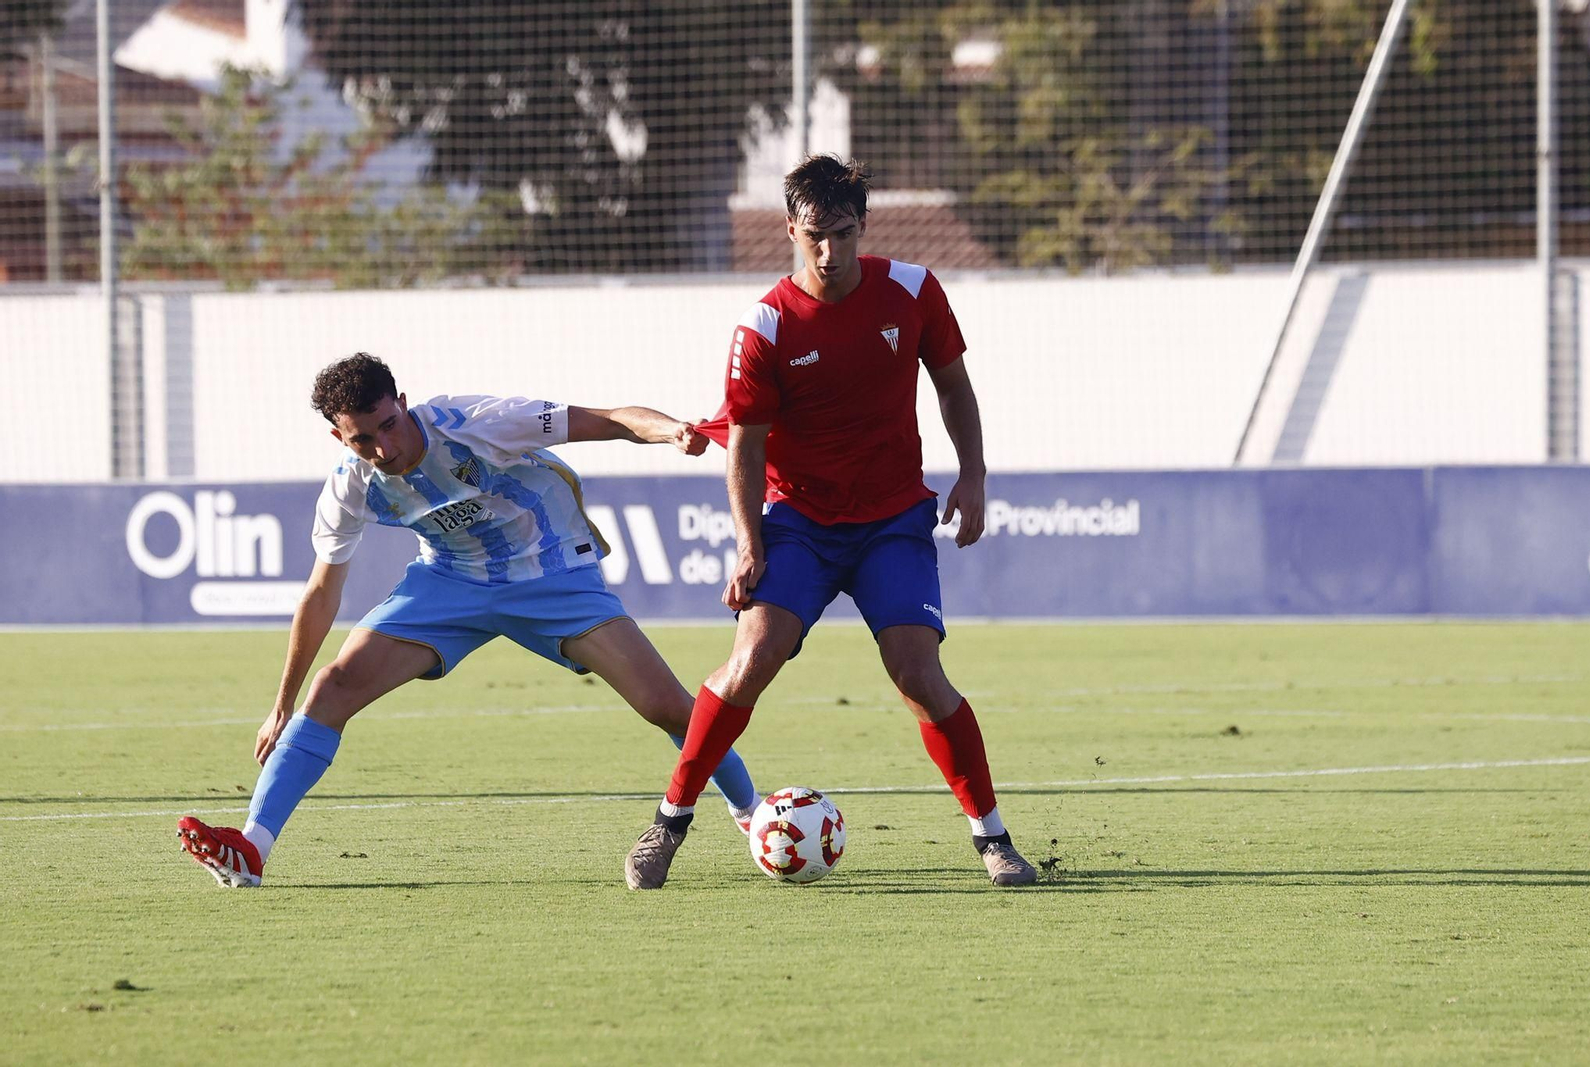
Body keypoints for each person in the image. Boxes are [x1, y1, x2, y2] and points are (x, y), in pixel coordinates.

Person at [178, 352, 759, 888]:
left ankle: (753, 814)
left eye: (387, 425)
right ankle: (252, 850)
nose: (383, 449)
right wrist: (283, 702)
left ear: (401, 401)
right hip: (450, 582)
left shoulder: (477, 422)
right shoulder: (350, 486)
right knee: (331, 688)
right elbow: (321, 593)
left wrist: (669, 431)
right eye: (361, 440)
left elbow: (605, 419)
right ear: (338, 436)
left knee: (665, 706)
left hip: (549, 571)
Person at [624, 155, 1036, 889]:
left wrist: (973, 475)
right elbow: (744, 449)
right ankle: (669, 821)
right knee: (752, 658)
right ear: (790, 229)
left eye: (842, 234)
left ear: (862, 227)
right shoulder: (764, 326)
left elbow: (954, 389)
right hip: (800, 522)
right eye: (813, 235)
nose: (828, 251)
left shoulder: (913, 291)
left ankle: (993, 838)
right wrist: (749, 546)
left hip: (891, 521)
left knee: (918, 672)